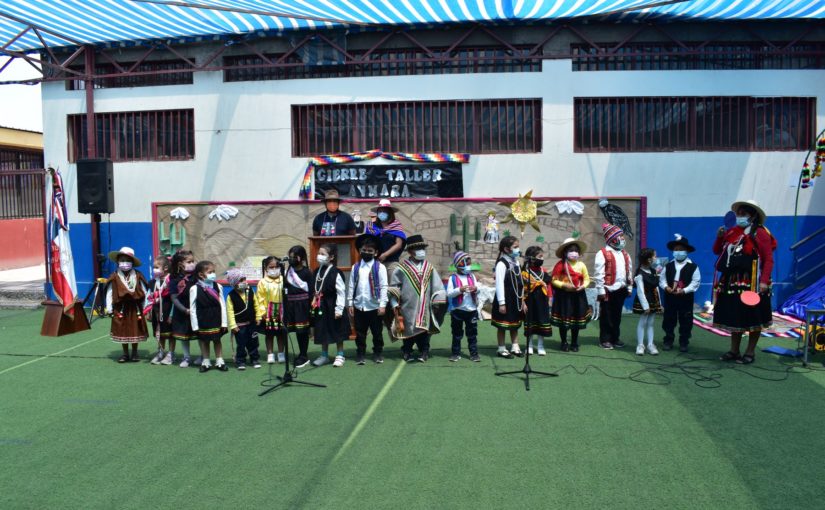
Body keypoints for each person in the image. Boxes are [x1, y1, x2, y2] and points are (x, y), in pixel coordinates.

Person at [713, 200, 776, 365]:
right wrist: (720, 238)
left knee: (754, 317)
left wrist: (763, 282)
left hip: (753, 281)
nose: (740, 217)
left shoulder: (760, 233)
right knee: (735, 316)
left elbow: (768, 260)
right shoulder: (732, 232)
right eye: (738, 214)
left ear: (753, 215)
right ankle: (734, 350)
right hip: (733, 282)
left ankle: (750, 352)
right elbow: (717, 251)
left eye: (744, 214)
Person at [387, 235, 446, 362]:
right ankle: (407, 350)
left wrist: (436, 303)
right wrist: (394, 305)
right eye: (417, 248)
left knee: (424, 330)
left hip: (424, 306)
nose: (421, 251)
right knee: (407, 329)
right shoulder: (401, 269)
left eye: (422, 248)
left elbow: (437, 286)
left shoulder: (429, 268)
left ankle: (424, 351)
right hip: (407, 306)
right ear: (409, 251)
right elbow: (394, 288)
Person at [347, 235, 388, 364]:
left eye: (370, 251)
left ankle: (377, 353)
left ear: (376, 253)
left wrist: (382, 305)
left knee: (377, 333)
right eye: (364, 250)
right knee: (360, 333)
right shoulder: (356, 267)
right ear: (360, 250)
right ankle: (360, 354)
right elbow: (351, 285)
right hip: (359, 305)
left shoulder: (380, 267)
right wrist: (350, 303)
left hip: (375, 306)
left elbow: (384, 287)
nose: (366, 253)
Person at [105, 247, 149, 363]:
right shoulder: (114, 276)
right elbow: (109, 292)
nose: (125, 263)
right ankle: (125, 354)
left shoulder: (138, 275)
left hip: (135, 308)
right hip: (120, 308)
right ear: (117, 262)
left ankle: (135, 353)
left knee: (135, 329)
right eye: (122, 260)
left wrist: (146, 307)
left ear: (132, 262)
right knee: (122, 329)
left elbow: (144, 291)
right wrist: (109, 308)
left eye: (127, 260)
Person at [593, 224, 633, 350]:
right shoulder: (602, 253)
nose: (622, 238)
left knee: (617, 316)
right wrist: (600, 290)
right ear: (612, 238)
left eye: (622, 236)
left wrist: (629, 287)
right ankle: (605, 339)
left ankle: (615, 338)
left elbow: (629, 271)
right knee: (606, 316)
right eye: (620, 236)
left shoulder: (625, 254)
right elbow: (599, 273)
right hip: (607, 290)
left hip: (621, 290)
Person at [660, 235, 701, 353]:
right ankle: (668, 340)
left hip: (685, 298)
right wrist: (666, 287)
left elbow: (695, 283)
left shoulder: (693, 267)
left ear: (687, 251)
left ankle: (684, 342)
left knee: (686, 321)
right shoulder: (668, 266)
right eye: (676, 250)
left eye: (681, 249)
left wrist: (684, 290)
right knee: (669, 319)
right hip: (670, 297)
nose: (678, 252)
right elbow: (662, 279)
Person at [311, 244, 350, 367]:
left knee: (337, 329)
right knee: (322, 329)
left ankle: (340, 354)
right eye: (319, 253)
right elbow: (316, 289)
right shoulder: (317, 271)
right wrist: (314, 299)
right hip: (321, 305)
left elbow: (341, 292)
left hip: (333, 304)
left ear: (331, 257)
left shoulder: (336, 272)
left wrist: (339, 309)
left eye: (323, 254)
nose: (319, 256)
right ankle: (324, 355)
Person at [550, 238, 591, 352]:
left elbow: (587, 279)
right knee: (564, 320)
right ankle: (564, 342)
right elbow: (554, 280)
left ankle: (574, 342)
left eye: (576, 251)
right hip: (564, 297)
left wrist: (583, 286)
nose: (574, 253)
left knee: (576, 320)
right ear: (565, 253)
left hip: (578, 296)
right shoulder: (560, 265)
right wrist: (564, 286)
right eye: (571, 251)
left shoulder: (581, 265)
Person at [189, 260, 228, 372]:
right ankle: (206, 362)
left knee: (217, 340)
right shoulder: (194, 289)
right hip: (203, 319)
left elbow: (222, 305)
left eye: (213, 271)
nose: (213, 274)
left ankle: (220, 361)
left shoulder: (218, 286)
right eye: (210, 272)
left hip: (216, 318)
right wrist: (195, 326)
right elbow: (192, 309)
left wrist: (224, 322)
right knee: (204, 341)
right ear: (201, 275)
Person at [491, 236, 525, 358]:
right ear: (506, 249)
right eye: (515, 247)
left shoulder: (516, 261)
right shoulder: (502, 263)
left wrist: (523, 300)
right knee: (502, 325)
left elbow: (520, 283)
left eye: (518, 246)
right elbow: (499, 284)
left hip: (516, 298)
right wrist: (501, 303)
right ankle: (501, 348)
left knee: (514, 323)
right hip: (505, 299)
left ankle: (515, 346)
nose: (518, 249)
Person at [446, 251, 480, 362]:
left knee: (472, 334)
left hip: (472, 310)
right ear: (458, 265)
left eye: (469, 264)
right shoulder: (453, 278)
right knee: (456, 334)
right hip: (457, 310)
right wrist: (459, 290)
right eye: (465, 264)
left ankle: (474, 354)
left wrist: (476, 288)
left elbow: (478, 288)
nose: (468, 266)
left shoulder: (472, 276)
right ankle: (455, 353)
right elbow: (449, 293)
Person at [225, 268, 260, 370]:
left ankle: (254, 359)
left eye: (244, 279)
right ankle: (240, 361)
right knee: (241, 344)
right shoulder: (230, 296)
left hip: (252, 323)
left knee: (253, 342)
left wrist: (258, 317)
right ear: (234, 283)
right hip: (239, 326)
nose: (244, 282)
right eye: (241, 280)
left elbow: (256, 304)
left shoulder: (250, 291)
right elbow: (230, 312)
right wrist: (233, 325)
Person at [284, 246, 313, 368]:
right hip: (290, 305)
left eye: (293, 257)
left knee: (302, 332)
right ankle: (299, 354)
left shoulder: (307, 272)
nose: (291, 259)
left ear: (300, 258)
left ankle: (304, 355)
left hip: (302, 306)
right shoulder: (288, 271)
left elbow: (311, 291)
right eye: (290, 257)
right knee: (295, 331)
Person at [169, 250, 198, 368]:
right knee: (183, 336)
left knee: (200, 334)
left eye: (193, 261)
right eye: (189, 261)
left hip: (196, 311)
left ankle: (203, 356)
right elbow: (174, 298)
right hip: (181, 313)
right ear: (180, 264)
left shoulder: (197, 276)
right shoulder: (174, 279)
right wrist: (184, 310)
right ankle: (186, 357)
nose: (192, 263)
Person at [522, 246, 553, 356]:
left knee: (542, 322)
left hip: (542, 302)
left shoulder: (543, 271)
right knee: (530, 323)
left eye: (542, 256)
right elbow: (521, 289)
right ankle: (529, 345)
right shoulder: (524, 272)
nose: (542, 258)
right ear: (532, 258)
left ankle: (540, 345)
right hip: (530, 302)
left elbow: (548, 286)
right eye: (540, 256)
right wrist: (523, 302)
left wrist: (550, 298)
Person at [255, 256, 286, 364]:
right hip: (268, 312)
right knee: (269, 334)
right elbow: (260, 298)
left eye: (276, 267)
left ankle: (281, 353)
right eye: (271, 267)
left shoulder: (284, 280)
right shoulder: (262, 282)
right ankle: (270, 354)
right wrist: (263, 312)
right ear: (266, 268)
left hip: (282, 312)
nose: (274, 269)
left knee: (281, 334)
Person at [632, 248, 662, 356]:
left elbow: (656, 288)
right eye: (654, 256)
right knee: (643, 322)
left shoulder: (653, 271)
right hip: (645, 302)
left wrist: (660, 304)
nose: (656, 258)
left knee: (651, 323)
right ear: (649, 259)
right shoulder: (639, 273)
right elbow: (640, 291)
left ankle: (650, 344)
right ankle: (640, 345)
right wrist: (645, 306)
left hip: (653, 301)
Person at [147, 255, 174, 365]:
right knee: (160, 333)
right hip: (156, 312)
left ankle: (171, 354)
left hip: (168, 311)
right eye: (153, 267)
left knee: (171, 334)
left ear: (166, 268)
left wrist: (172, 314)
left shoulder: (171, 281)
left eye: (157, 267)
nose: (154, 269)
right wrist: (149, 311)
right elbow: (149, 297)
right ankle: (160, 352)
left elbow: (174, 298)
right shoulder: (153, 282)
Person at [371, 198, 407, 267]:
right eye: (380, 211)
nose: (382, 213)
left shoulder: (396, 226)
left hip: (391, 262)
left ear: (390, 213)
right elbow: (368, 242)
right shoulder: (372, 226)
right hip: (375, 261)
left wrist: (385, 255)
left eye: (384, 211)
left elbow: (399, 244)